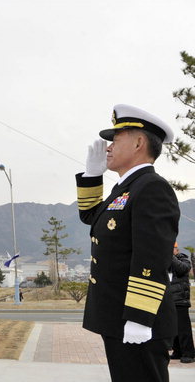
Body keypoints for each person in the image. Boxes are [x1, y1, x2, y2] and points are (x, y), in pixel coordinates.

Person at [75, 104, 180, 382]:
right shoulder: (126, 188)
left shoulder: (151, 187)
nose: (108, 147)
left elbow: (152, 256)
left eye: (115, 140)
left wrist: (140, 317)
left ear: (138, 142)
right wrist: (92, 176)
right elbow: (91, 217)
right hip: (118, 316)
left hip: (137, 319)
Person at [169, 242, 194, 363]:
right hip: (169, 300)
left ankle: (189, 353)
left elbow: (181, 269)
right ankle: (177, 351)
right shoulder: (166, 262)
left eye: (171, 248)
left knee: (184, 330)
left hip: (180, 300)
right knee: (173, 329)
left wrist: (170, 256)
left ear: (176, 250)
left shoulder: (184, 260)